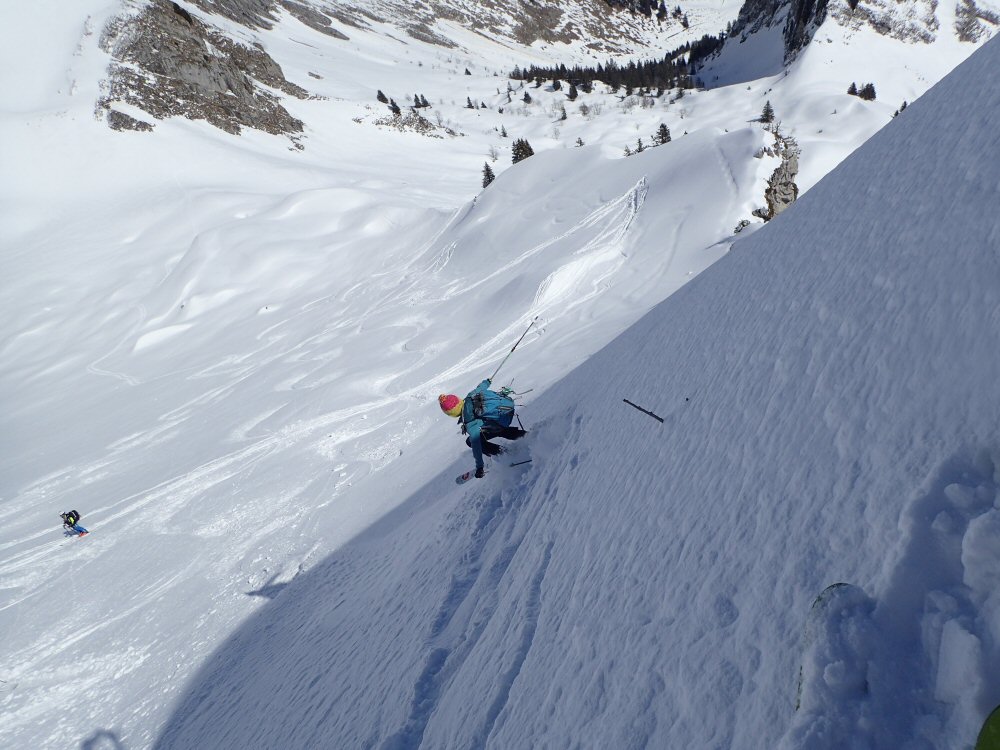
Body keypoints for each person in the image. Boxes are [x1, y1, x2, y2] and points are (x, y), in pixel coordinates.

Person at [439, 379, 526, 478]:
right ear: (458, 400)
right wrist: (487, 381)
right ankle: (525, 435)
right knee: (493, 428)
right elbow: (482, 387)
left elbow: (476, 445)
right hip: (506, 411)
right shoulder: (470, 396)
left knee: (471, 441)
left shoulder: (470, 422)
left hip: (499, 423)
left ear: (451, 413)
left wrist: (480, 467)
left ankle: (505, 453)